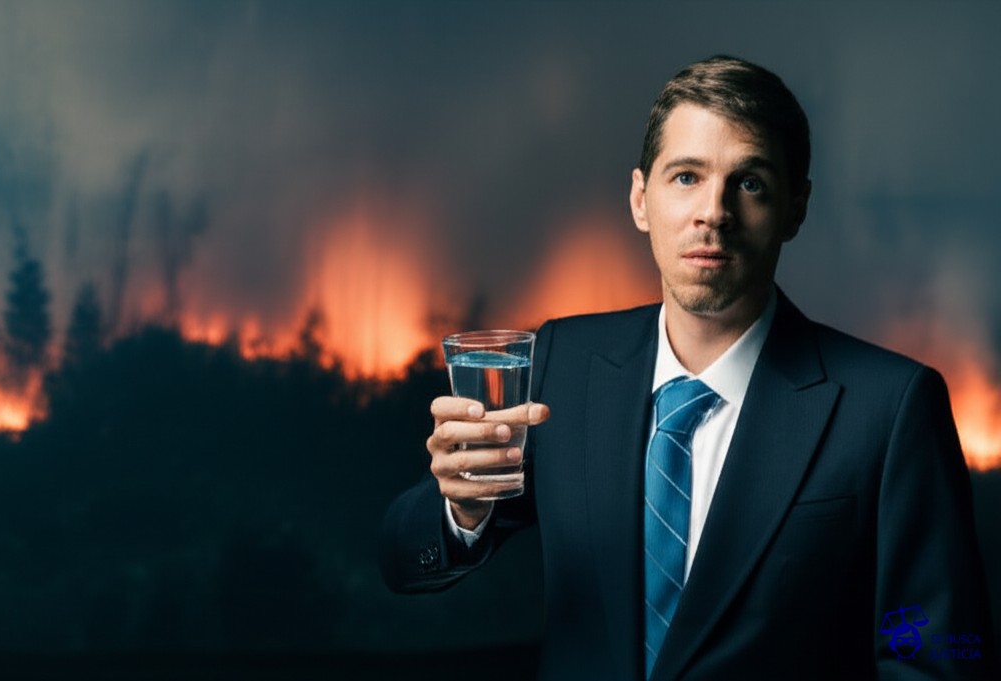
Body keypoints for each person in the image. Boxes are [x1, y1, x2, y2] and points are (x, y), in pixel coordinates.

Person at [379, 55, 993, 680]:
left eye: (749, 182)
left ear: (795, 208)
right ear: (640, 199)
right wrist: (462, 510)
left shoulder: (889, 407)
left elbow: (942, 658)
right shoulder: (563, 363)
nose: (713, 212)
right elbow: (403, 561)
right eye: (686, 177)